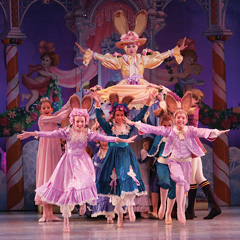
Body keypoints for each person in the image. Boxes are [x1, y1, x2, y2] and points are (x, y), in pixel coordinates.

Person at [17, 108, 136, 232]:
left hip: (83, 162)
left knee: (85, 182)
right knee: (68, 189)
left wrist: (122, 140)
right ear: (73, 121)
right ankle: (66, 221)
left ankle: (83, 202)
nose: (79, 124)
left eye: (82, 121)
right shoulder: (67, 132)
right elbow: (50, 134)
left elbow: (104, 138)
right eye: (77, 121)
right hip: (68, 162)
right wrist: (33, 133)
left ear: (85, 121)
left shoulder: (88, 133)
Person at [124, 91, 230, 226]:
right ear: (174, 119)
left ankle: (180, 207)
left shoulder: (190, 130)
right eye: (178, 118)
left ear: (185, 120)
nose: (180, 120)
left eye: (183, 118)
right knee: (178, 180)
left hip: (187, 162)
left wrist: (216, 132)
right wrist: (135, 124)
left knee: (185, 186)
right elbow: (153, 129)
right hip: (173, 161)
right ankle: (180, 210)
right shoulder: (169, 131)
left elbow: (202, 132)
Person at [75, 10, 187, 110]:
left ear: (137, 46)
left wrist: (173, 51)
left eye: (133, 46)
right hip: (126, 86)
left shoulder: (142, 58)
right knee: (107, 95)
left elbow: (158, 57)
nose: (131, 49)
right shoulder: (122, 59)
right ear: (124, 47)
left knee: (160, 92)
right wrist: (91, 53)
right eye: (128, 46)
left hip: (141, 86)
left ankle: (159, 117)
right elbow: (105, 58)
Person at [92, 89, 157, 227]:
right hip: (113, 156)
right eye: (117, 115)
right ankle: (120, 214)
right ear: (113, 115)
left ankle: (130, 207)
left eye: (122, 115)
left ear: (125, 115)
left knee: (128, 178)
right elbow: (98, 118)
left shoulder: (128, 127)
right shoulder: (109, 127)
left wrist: (148, 101)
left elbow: (139, 116)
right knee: (116, 182)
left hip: (126, 156)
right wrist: (97, 103)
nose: (120, 117)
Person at [32, 96, 71, 223]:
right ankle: (45, 214)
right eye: (44, 108)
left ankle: (50, 214)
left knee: (51, 178)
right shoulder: (43, 119)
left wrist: (69, 103)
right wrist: (70, 110)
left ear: (51, 108)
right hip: (46, 151)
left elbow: (59, 113)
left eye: (48, 107)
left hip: (54, 150)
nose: (46, 109)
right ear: (41, 111)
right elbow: (60, 117)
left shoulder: (52, 117)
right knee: (45, 175)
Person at [185, 89, 221, 220]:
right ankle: (214, 207)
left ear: (196, 100)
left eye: (191, 98)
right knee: (198, 176)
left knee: (192, 178)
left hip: (192, 145)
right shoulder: (190, 108)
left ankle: (190, 210)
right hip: (191, 144)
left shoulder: (192, 109)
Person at [146, 114, 176, 225]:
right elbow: (155, 149)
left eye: (169, 125)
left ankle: (168, 213)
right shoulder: (159, 136)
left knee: (174, 187)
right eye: (164, 125)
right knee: (164, 181)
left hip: (174, 164)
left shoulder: (176, 135)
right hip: (162, 162)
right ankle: (162, 204)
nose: (167, 127)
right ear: (160, 125)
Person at [87, 128, 116, 224]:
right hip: (97, 175)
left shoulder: (112, 150)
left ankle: (109, 215)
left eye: (106, 140)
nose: (104, 143)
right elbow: (88, 139)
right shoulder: (96, 148)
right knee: (100, 194)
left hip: (108, 175)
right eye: (102, 140)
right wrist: (92, 131)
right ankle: (101, 211)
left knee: (108, 195)